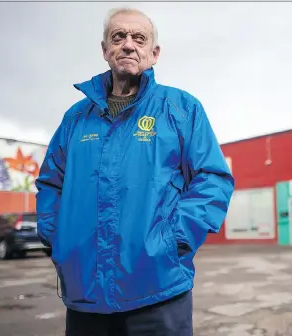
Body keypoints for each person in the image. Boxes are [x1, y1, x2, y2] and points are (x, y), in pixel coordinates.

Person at [35, 7, 234, 336]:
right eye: (118, 37)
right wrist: (59, 242)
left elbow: (212, 179)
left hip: (159, 291)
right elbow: (50, 184)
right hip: (86, 297)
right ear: (105, 50)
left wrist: (173, 241)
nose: (128, 44)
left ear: (154, 54)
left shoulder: (181, 109)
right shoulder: (75, 119)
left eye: (139, 38)